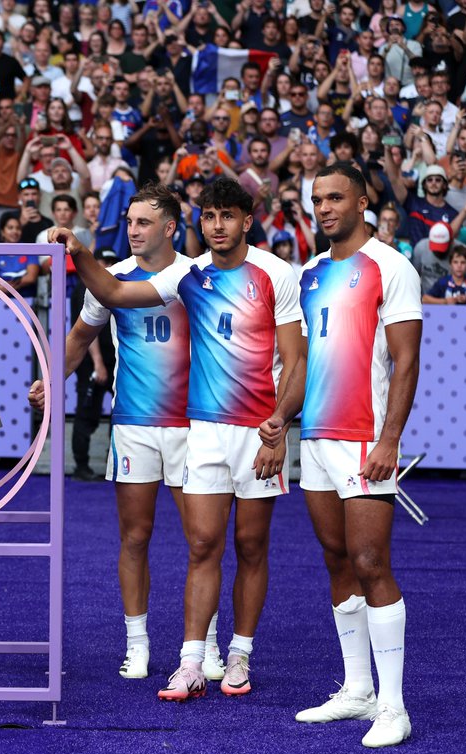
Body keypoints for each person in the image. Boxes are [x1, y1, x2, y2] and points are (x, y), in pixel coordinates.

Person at [57, 177, 305, 702]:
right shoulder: (188, 277)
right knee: (200, 544)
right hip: (203, 434)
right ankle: (190, 659)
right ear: (199, 223)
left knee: (251, 545)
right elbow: (115, 293)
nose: (217, 226)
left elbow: (297, 358)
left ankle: (236, 652)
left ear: (246, 220)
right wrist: (79, 250)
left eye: (227, 216)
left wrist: (280, 424)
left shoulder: (275, 273)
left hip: (258, 431)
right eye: (209, 216)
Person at [259, 162, 422, 748]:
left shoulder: (391, 266)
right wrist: (280, 417)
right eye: (317, 199)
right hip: (318, 439)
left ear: (361, 202)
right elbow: (301, 364)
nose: (325, 208)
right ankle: (358, 691)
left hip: (365, 438)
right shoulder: (310, 273)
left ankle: (395, 708)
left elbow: (406, 361)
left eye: (336, 198)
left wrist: (389, 440)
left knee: (371, 561)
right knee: (336, 559)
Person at [34, 184, 221, 680]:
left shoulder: (194, 274)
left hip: (190, 425)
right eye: (130, 222)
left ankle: (208, 644)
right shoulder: (112, 277)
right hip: (134, 427)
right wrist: (52, 382)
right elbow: (79, 337)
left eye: (143, 223)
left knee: (201, 542)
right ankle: (137, 644)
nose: (133, 230)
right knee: (134, 537)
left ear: (170, 229)